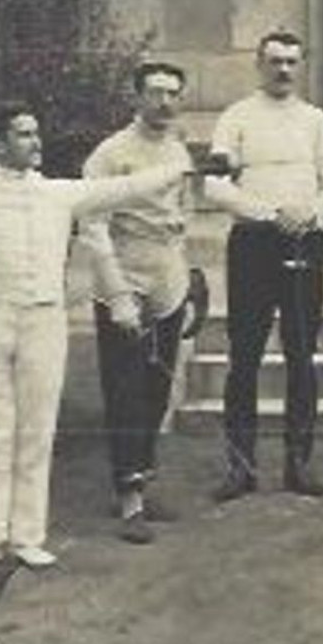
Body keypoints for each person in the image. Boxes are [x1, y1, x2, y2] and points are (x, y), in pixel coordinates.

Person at [0, 100, 189, 568]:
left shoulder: (59, 194)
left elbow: (126, 187)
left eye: (36, 133)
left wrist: (179, 167)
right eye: (23, 134)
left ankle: (27, 537)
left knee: (37, 430)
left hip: (44, 323)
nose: (35, 142)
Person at [203, 30, 323, 502]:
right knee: (244, 356)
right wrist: (270, 214)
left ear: (300, 66)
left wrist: (314, 213)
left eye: (291, 62)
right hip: (254, 245)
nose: (283, 70)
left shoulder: (315, 119)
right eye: (275, 62)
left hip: (306, 243)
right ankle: (240, 468)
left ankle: (298, 464)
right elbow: (216, 188)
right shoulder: (236, 118)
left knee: (302, 354)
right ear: (259, 66)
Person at [78, 61, 206, 545]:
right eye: (155, 93)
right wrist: (117, 296)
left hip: (166, 277)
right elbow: (92, 226)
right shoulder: (110, 154)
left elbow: (183, 218)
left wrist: (188, 282)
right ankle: (128, 497)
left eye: (173, 93)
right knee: (125, 388)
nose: (165, 102)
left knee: (157, 386)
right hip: (124, 277)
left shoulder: (176, 149)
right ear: (136, 97)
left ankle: (142, 479)